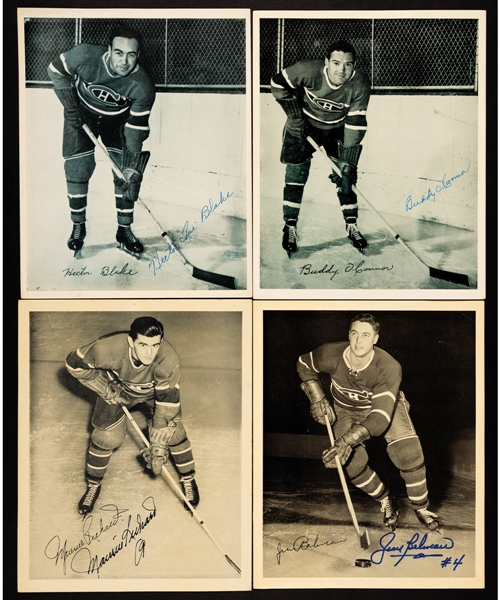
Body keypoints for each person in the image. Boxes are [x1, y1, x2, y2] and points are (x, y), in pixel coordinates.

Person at [296, 313, 439, 532]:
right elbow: (304, 364)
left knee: (408, 451)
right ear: (348, 335)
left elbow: (380, 419)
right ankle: (385, 500)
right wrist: (317, 397)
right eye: (354, 334)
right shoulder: (330, 353)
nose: (359, 340)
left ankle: (421, 507)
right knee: (350, 462)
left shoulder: (388, 366)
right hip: (346, 409)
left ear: (375, 339)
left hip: (383, 408)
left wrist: (346, 440)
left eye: (365, 335)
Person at [66, 316, 199, 515]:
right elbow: (73, 363)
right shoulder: (107, 349)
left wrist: (158, 446)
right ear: (131, 341)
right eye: (143, 344)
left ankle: (188, 479)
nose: (149, 352)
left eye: (155, 345)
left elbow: (166, 408)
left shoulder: (167, 359)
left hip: (155, 394)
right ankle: (93, 485)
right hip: (118, 389)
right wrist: (103, 386)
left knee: (174, 433)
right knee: (105, 437)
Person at [48, 24, 156, 257]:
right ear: (109, 50)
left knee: (125, 175)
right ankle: (78, 227)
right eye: (119, 52)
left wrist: (130, 167)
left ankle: (124, 230)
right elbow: (55, 69)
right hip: (81, 114)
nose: (124, 61)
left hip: (117, 123)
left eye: (131, 55)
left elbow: (135, 130)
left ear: (138, 56)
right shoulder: (86, 55)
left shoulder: (143, 87)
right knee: (78, 168)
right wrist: (70, 106)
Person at [271, 40, 370, 257]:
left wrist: (348, 164)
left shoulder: (360, 83)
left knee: (345, 176)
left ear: (354, 66)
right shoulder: (308, 70)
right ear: (326, 62)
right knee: (296, 173)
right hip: (303, 124)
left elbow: (355, 123)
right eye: (336, 63)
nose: (341, 70)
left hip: (337, 128)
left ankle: (351, 225)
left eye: (348, 64)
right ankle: (290, 226)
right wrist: (295, 115)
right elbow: (278, 83)